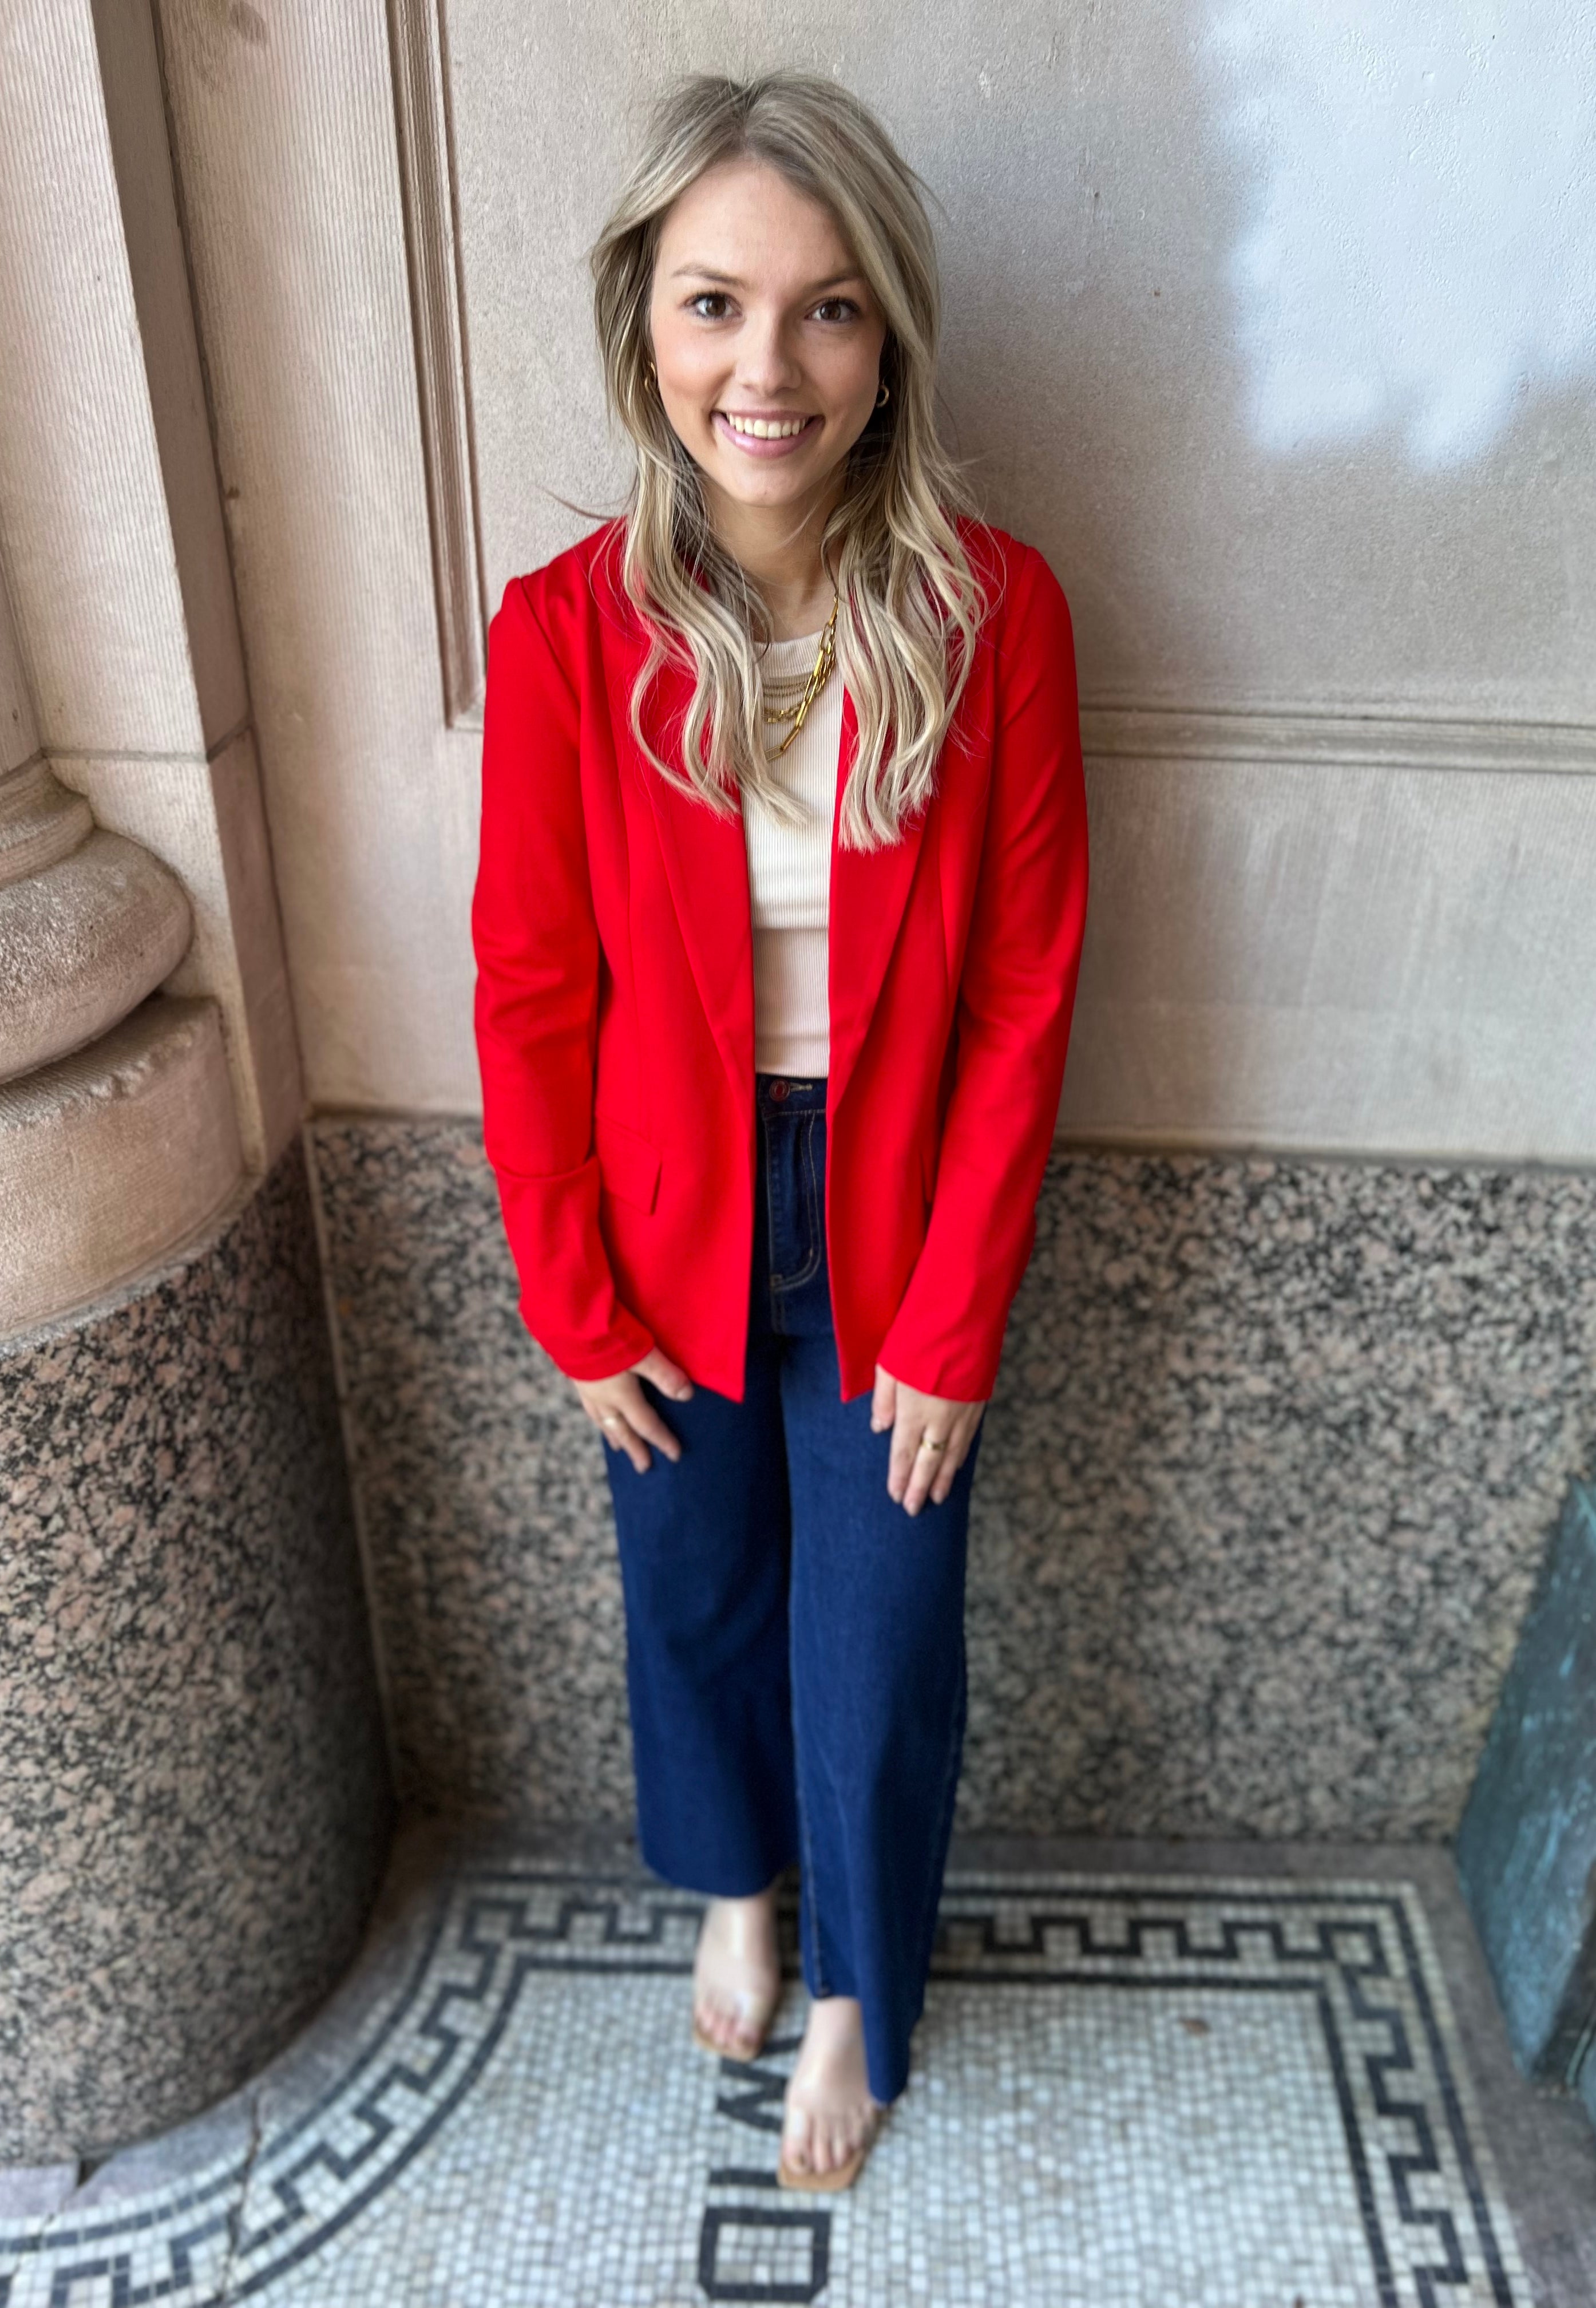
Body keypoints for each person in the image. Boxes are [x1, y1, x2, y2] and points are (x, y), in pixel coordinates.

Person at [471, 69, 1088, 2192]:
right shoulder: (563, 640)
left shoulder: (995, 618)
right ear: (644, 318)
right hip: (667, 1206)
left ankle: (856, 1993)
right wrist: (570, 1295)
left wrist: (961, 1315)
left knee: (884, 1627)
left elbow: (1021, 994)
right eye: (718, 303)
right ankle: (738, 1883)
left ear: (890, 333)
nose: (769, 366)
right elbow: (535, 994)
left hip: (903, 1209)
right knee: (698, 1585)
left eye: (827, 311)